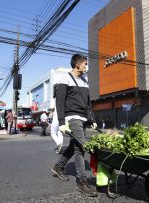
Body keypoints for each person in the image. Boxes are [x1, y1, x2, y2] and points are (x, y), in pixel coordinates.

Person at [51, 54, 98, 197]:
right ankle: (81, 181)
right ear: (77, 64)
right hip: (72, 117)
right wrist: (62, 122)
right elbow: (60, 101)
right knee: (81, 148)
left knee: (74, 146)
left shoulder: (84, 81)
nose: (86, 66)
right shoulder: (64, 78)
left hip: (83, 118)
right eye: (85, 63)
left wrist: (92, 119)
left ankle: (58, 167)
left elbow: (87, 103)